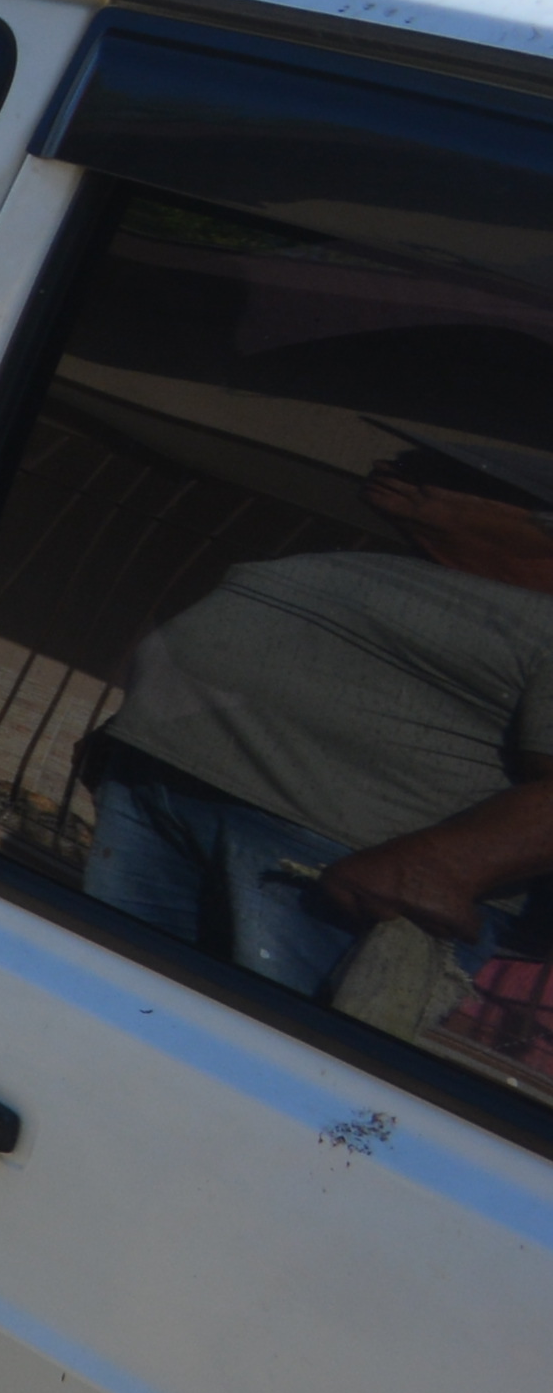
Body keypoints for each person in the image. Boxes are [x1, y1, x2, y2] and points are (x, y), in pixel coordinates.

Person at [88, 439, 553, 1026]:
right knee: (108, 1006)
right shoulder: (425, 581)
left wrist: (445, 866)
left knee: (253, 1049)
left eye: (446, 475)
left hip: (340, 865)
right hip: (173, 795)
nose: (395, 469)